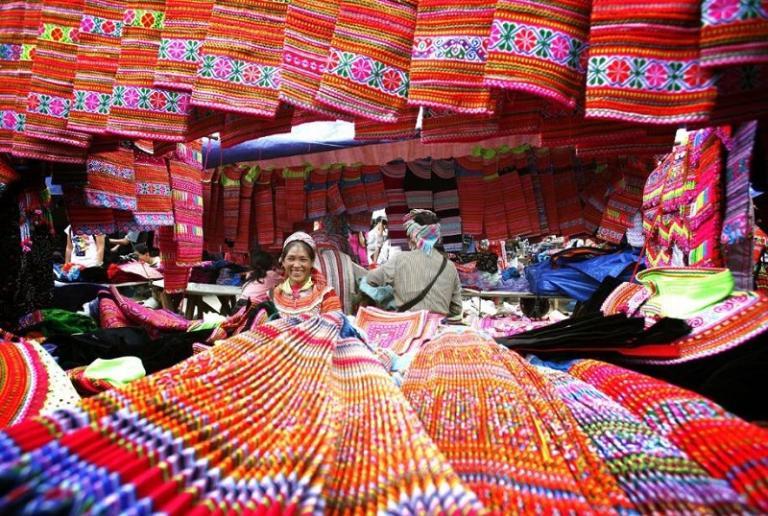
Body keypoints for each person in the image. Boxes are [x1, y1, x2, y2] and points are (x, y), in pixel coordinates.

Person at [366, 209, 462, 318]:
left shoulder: (399, 259)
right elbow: (456, 309)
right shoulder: (450, 266)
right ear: (437, 238)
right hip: (437, 328)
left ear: (413, 236)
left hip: (407, 327)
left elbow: (370, 279)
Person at [269, 232, 341, 317]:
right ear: (283, 261)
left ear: (312, 262)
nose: (296, 265)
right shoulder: (272, 295)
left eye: (303, 259)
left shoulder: (326, 295)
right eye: (291, 259)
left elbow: (336, 326)